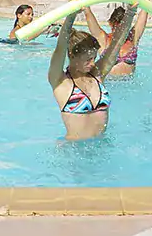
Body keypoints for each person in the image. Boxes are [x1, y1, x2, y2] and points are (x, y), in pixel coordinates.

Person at [48, 9, 139, 140]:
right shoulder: (60, 81)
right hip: (74, 152)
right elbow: (60, 47)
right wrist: (71, 15)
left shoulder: (97, 74)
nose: (93, 63)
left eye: (94, 58)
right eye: (88, 59)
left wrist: (130, 13)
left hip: (102, 149)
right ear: (72, 56)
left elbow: (117, 43)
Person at [79, 3, 142, 75]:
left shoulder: (133, 37)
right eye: (116, 28)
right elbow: (87, 12)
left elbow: (144, 12)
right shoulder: (103, 39)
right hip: (108, 83)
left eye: (122, 29)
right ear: (110, 23)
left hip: (130, 84)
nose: (119, 32)